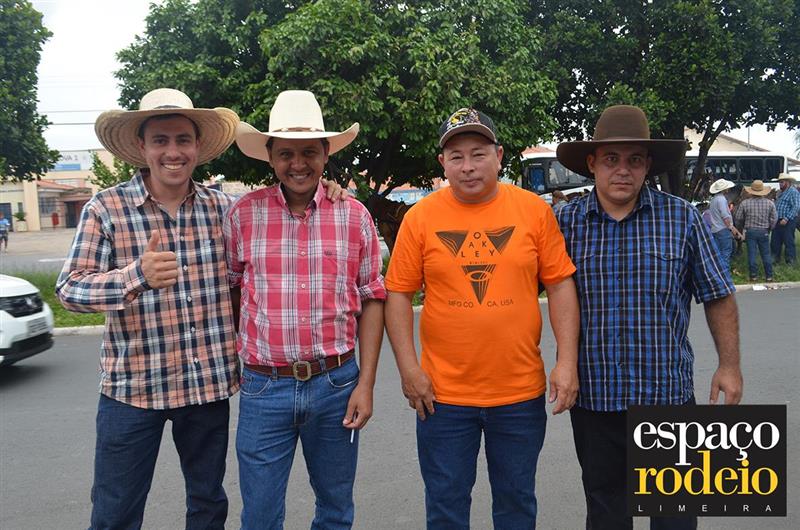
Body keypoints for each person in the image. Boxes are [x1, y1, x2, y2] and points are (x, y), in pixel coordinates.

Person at [56, 88, 347, 529]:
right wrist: (136, 276)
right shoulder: (106, 208)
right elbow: (69, 289)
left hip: (205, 387)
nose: (172, 152)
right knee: (116, 509)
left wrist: (326, 189)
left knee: (208, 505)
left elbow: (281, 216)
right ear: (142, 146)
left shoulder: (224, 209)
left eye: (182, 140)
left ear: (197, 147)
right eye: (160, 140)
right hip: (133, 388)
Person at [385, 107, 580, 529]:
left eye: (478, 153)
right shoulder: (419, 218)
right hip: (442, 396)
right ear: (443, 163)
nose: (468, 166)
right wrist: (408, 369)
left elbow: (560, 284)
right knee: (445, 506)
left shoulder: (533, 211)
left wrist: (566, 362)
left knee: (516, 503)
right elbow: (398, 294)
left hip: (519, 394)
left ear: (499, 156)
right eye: (456, 157)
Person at [555, 105, 743, 530]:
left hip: (666, 395)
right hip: (595, 397)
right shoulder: (563, 224)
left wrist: (729, 366)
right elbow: (520, 291)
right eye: (611, 159)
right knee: (606, 513)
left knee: (675, 515)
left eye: (634, 160)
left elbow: (718, 295)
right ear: (592, 163)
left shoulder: (681, 218)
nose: (623, 170)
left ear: (647, 166)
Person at [225, 90, 386, 530]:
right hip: (264, 386)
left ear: (326, 153)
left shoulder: (353, 215)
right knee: (259, 516)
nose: (298, 164)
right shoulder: (243, 216)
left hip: (336, 383)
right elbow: (234, 290)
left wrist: (366, 384)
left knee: (335, 509)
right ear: (270, 157)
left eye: (309, 152)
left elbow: (372, 297)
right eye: (286, 153)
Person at [735, 179, 778, 282]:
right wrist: (770, 228)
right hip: (764, 231)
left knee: (752, 254)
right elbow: (774, 218)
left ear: (751, 191)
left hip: (750, 231)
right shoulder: (770, 203)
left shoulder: (745, 203)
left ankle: (753, 276)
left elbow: (738, 218)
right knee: (766, 254)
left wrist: (742, 227)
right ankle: (769, 276)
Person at [706, 178, 741, 271]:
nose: (728, 189)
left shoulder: (713, 200)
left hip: (715, 229)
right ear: (724, 189)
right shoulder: (722, 200)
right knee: (726, 252)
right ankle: (724, 273)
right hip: (723, 229)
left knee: (717, 253)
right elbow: (725, 216)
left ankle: (716, 272)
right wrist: (732, 228)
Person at [771, 173, 799, 264]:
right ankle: (775, 259)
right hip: (778, 220)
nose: (780, 184)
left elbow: (796, 207)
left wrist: (786, 218)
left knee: (788, 240)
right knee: (775, 240)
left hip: (788, 220)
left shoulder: (793, 192)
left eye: (782, 182)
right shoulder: (780, 192)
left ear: (788, 182)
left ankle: (790, 261)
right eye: (779, 182)